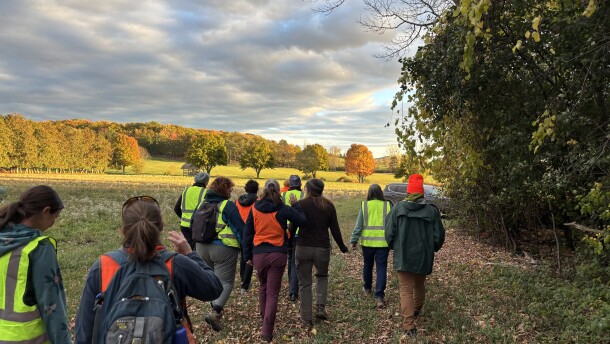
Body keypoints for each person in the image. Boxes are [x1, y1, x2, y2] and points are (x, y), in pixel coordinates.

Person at [74, 195, 223, 343]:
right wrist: (190, 254)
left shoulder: (103, 266)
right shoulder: (175, 264)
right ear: (160, 227)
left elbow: (85, 329)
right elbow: (214, 288)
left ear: (124, 231)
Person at [0, 185, 71, 344]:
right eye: (55, 217)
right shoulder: (39, 249)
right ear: (46, 211)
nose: (53, 223)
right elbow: (52, 306)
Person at [242, 179, 306, 342]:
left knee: (263, 288)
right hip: (278, 254)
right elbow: (302, 220)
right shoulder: (283, 209)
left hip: (259, 255)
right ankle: (267, 331)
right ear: (279, 191)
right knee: (272, 294)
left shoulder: (255, 208)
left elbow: (247, 233)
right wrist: (296, 205)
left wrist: (247, 256)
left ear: (263, 191)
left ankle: (265, 318)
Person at [384, 174, 445, 337]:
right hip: (423, 255)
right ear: (422, 193)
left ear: (408, 192)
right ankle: (416, 309)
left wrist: (393, 246)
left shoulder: (397, 209)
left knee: (405, 290)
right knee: (418, 285)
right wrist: (433, 248)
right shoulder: (431, 211)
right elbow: (439, 235)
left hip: (403, 255)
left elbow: (389, 232)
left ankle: (409, 324)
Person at [291, 178, 348, 327]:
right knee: (322, 276)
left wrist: (288, 243)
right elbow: (335, 229)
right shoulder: (329, 206)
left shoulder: (300, 205)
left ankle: (306, 317)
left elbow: (292, 227)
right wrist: (342, 246)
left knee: (304, 283)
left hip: (303, 247)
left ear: (308, 190)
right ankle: (320, 307)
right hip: (322, 249)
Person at [195, 176, 245, 332]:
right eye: (230, 188)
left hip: (201, 247)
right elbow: (240, 229)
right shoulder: (227, 206)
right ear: (225, 189)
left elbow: (193, 225)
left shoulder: (202, 204)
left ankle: (214, 306)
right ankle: (215, 312)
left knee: (211, 278)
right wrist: (247, 251)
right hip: (222, 249)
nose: (231, 191)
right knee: (226, 282)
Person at [350, 184, 392, 308]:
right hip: (384, 243)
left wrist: (354, 240)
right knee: (381, 268)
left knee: (368, 265)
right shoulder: (388, 205)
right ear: (380, 193)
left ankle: (367, 288)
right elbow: (392, 225)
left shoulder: (365, 205)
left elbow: (359, 225)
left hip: (367, 243)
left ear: (369, 193)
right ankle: (379, 296)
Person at [281, 174, 304, 301]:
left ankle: (291, 285)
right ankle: (293, 291)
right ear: (300, 184)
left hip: (287, 231)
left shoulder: (283, 195)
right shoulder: (304, 195)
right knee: (296, 261)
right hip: (300, 232)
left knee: (290, 258)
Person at [174, 172, 210, 249]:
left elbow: (176, 208)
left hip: (184, 226)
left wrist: (184, 218)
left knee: (186, 250)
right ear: (206, 182)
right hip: (198, 227)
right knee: (196, 251)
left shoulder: (186, 190)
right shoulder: (206, 192)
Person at [235, 179, 259, 293]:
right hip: (252, 231)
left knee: (243, 255)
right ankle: (245, 283)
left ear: (245, 188)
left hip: (239, 231)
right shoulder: (258, 201)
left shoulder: (237, 201)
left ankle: (242, 278)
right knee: (250, 257)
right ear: (257, 189)